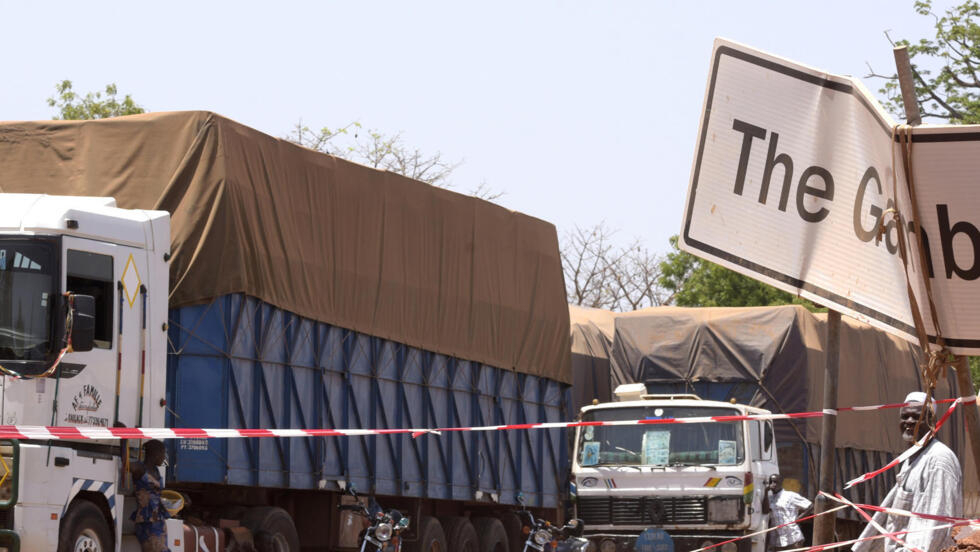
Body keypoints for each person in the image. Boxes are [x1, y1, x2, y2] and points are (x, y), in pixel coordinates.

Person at [852, 391, 963, 552]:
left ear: (932, 421)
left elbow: (933, 525)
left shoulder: (939, 460)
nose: (909, 422)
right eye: (905, 417)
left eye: (916, 417)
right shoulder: (912, 458)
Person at [130, 439, 170, 552]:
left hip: (159, 521)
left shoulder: (156, 471)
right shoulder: (140, 469)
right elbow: (126, 465)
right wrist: (124, 440)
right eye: (163, 453)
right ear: (155, 453)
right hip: (146, 521)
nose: (164, 457)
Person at [763, 474, 812, 551]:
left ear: (781, 483)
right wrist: (765, 492)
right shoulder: (770, 498)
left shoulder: (790, 495)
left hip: (792, 538)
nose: (773, 484)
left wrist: (799, 519)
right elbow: (765, 511)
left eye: (775, 482)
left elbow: (810, 506)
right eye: (771, 482)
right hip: (776, 541)